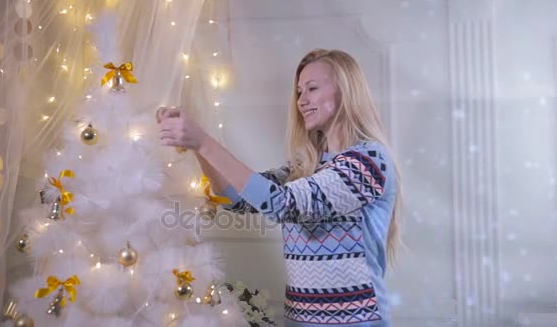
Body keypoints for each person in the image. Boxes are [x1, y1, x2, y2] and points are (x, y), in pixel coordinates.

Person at [156, 49, 401, 326]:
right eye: (299, 92)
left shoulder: (367, 161)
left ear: (345, 91)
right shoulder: (306, 165)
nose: (302, 100)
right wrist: (196, 147)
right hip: (299, 319)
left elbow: (280, 204)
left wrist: (204, 142)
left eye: (312, 88)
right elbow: (236, 199)